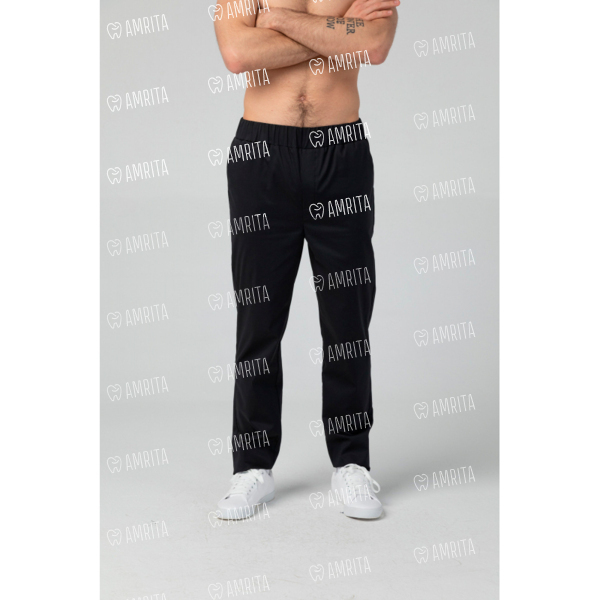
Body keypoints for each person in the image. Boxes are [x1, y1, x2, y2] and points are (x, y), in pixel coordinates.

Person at [213, 0, 398, 519]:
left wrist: (278, 20)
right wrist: (337, 34)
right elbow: (238, 54)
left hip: (341, 151)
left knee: (348, 317)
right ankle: (252, 467)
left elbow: (374, 45)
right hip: (261, 154)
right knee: (259, 318)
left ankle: (351, 463)